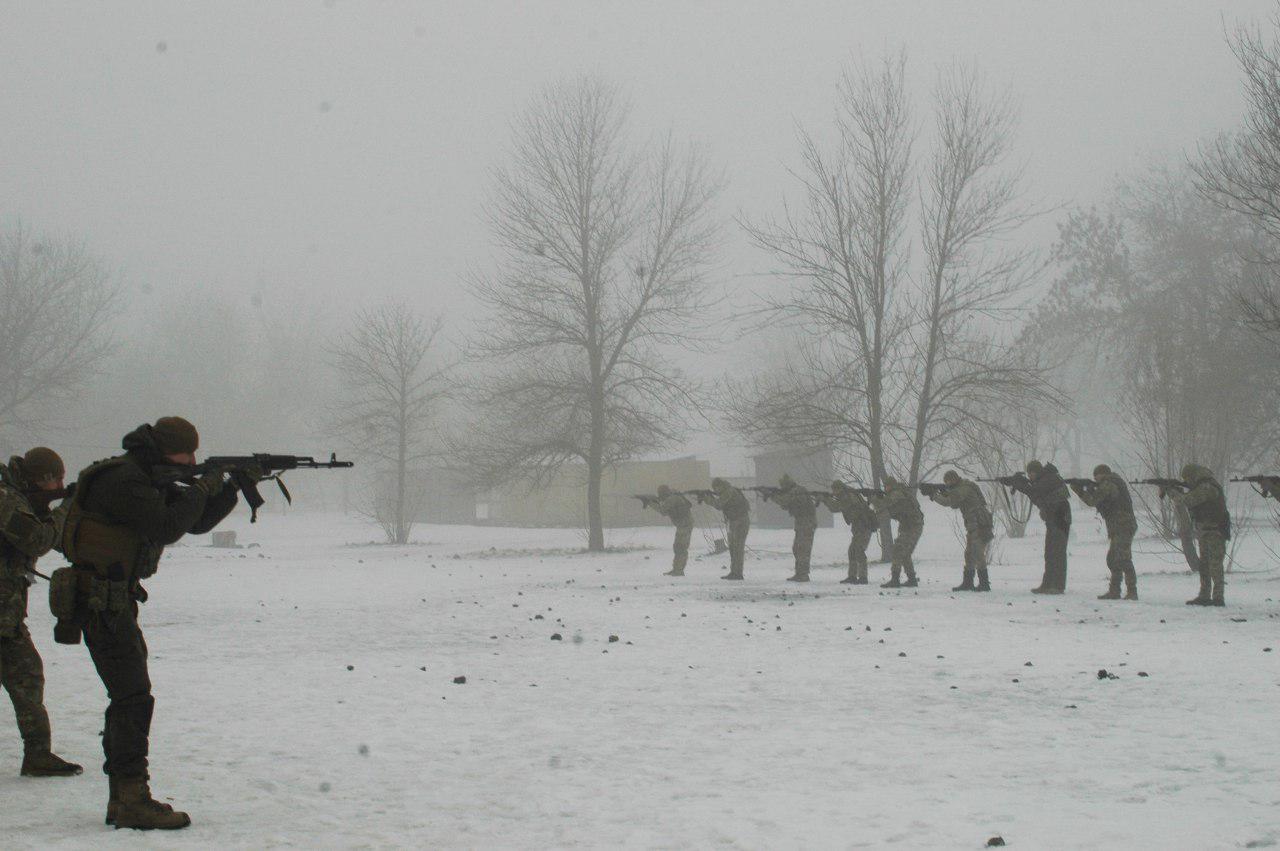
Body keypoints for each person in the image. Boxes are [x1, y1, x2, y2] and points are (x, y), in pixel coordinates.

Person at [62, 418, 241, 829]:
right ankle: (131, 800)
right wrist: (202, 486)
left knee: (129, 696)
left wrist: (229, 487)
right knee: (133, 697)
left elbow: (193, 522)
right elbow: (166, 525)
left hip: (114, 599)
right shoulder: (124, 480)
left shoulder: (143, 476)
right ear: (165, 451)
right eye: (187, 454)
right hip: (100, 600)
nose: (193, 461)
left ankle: (121, 799)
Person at [0, 448, 82, 778]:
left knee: (28, 676)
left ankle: (38, 754)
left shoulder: (19, 497)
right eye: (57, 479)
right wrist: (65, 508)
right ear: (43, 478)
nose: (60, 484)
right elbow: (37, 539)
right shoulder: (6, 499)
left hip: (6, 619)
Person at [1069, 464, 1138, 601]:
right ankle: (1114, 591)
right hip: (1119, 526)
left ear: (1103, 474)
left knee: (1123, 559)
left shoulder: (1109, 484)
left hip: (1123, 526)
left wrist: (1080, 491)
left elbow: (1092, 500)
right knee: (1113, 559)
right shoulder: (1110, 483)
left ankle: (1132, 591)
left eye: (1097, 475)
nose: (1095, 478)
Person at [1169, 463, 1230, 607]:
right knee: (1204, 565)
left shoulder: (1207, 487)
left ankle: (1218, 597)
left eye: (1187, 478)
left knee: (1215, 564)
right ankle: (1204, 595)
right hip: (1205, 530)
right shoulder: (1202, 486)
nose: (1187, 481)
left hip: (1215, 531)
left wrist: (1175, 493)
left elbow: (1189, 500)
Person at [1008, 460, 1071, 594]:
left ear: (1035, 472)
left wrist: (1019, 484)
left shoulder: (1050, 478)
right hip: (1053, 519)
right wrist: (1017, 483)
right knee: (1049, 553)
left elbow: (1034, 490)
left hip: (1060, 519)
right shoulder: (1044, 479)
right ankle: (1047, 584)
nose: (1030, 477)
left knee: (1057, 553)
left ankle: (1058, 586)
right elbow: (1035, 492)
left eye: (1030, 474)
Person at [926, 470, 994, 592]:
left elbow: (950, 502)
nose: (947, 484)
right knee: (969, 553)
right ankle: (968, 582)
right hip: (974, 524)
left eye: (948, 481)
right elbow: (955, 504)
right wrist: (944, 493)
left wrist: (935, 495)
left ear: (954, 479)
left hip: (980, 524)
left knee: (978, 553)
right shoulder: (960, 488)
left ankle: (984, 583)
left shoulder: (964, 488)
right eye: (945, 482)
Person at [819, 480, 878, 585]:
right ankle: (852, 576)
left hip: (864, 527)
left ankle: (863, 577)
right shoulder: (849, 494)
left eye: (835, 490)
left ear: (840, 488)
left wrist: (825, 499)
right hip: (859, 528)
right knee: (852, 551)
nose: (834, 492)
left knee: (859, 551)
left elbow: (835, 507)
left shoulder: (848, 496)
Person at [870, 476, 923, 588]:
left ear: (892, 485)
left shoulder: (897, 493)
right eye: (885, 486)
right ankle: (912, 579)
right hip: (909, 525)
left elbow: (886, 504)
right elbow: (886, 511)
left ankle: (895, 579)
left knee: (898, 550)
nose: (886, 488)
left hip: (913, 526)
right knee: (904, 553)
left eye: (887, 486)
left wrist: (874, 499)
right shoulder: (898, 493)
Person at [772, 475, 816, 582]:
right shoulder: (795, 491)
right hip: (802, 522)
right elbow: (786, 505)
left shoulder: (797, 491)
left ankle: (803, 574)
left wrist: (773, 496)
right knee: (797, 548)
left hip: (806, 522)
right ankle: (799, 573)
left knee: (803, 549)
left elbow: (784, 502)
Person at [705, 478, 750, 580]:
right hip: (735, 522)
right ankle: (734, 572)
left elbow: (719, 505)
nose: (715, 491)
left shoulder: (729, 491)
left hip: (740, 522)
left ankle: (737, 573)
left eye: (715, 488)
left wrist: (707, 499)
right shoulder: (727, 491)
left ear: (720, 486)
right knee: (733, 548)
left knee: (737, 548)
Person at [654, 485, 694, 577]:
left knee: (680, 547)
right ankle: (677, 569)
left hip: (684, 525)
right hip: (684, 524)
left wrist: (650, 503)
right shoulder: (674, 497)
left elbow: (663, 511)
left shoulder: (672, 499)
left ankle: (678, 570)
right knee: (678, 547)